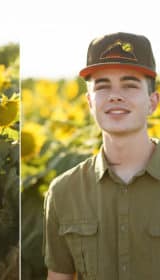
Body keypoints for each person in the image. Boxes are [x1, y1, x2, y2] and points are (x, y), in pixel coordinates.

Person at [43, 32, 160, 280]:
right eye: (102, 86)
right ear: (89, 102)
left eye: (129, 85)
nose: (115, 95)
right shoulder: (64, 192)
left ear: (153, 101)